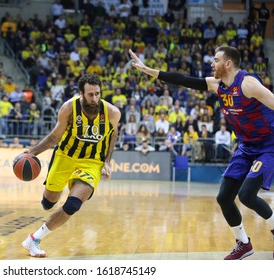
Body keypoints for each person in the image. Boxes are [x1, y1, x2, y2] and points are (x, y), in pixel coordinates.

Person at [129, 46, 274, 260]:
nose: (211, 64)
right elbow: (183, 79)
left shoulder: (248, 84)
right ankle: (244, 243)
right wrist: (149, 70)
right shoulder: (217, 85)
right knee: (224, 197)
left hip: (268, 146)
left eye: (215, 60)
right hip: (245, 146)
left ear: (228, 63)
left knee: (246, 195)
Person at [20, 74, 121, 257]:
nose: (94, 99)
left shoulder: (112, 112)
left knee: (73, 204)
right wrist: (31, 153)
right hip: (65, 156)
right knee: (47, 204)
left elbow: (113, 135)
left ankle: (33, 239)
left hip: (92, 162)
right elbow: (53, 137)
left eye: (97, 94)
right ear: (81, 93)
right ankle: (54, 199)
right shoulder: (69, 108)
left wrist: (107, 161)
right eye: (90, 95)